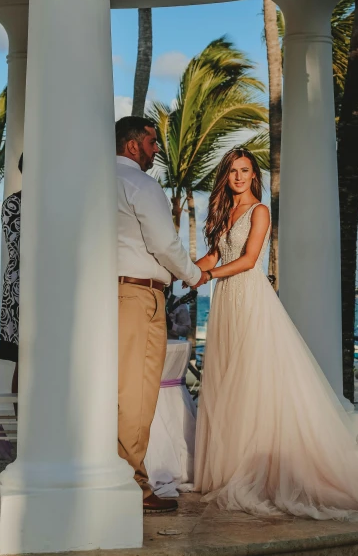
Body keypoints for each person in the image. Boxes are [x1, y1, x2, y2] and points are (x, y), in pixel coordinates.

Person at [193, 148, 358, 547]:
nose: (238, 176)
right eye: (232, 171)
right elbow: (216, 253)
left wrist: (210, 274)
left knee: (253, 380)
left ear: (254, 176)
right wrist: (186, 270)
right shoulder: (224, 213)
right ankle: (229, 465)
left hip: (249, 299)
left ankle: (257, 470)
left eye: (245, 170)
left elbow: (249, 260)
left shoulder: (260, 211)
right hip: (225, 303)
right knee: (228, 381)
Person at [116, 116, 209, 514]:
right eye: (153, 143)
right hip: (139, 296)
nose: (157, 151)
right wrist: (193, 275)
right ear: (133, 146)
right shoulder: (140, 184)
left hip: (105, 294)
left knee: (112, 390)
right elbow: (165, 244)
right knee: (136, 394)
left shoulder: (91, 183)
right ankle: (131, 485)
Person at [0, 154, 22, 401]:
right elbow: (20, 246)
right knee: (21, 358)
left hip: (26, 283)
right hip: (20, 286)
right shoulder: (14, 203)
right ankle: (22, 425)